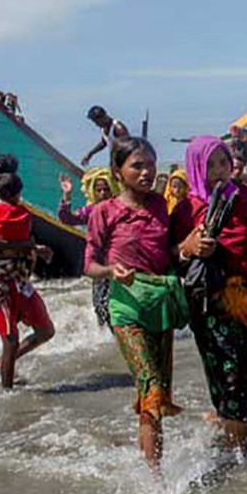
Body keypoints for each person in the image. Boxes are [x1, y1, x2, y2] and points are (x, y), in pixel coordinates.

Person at [171, 136, 247, 450]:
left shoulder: (245, 196)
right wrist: (189, 248)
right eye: (211, 165)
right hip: (211, 300)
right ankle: (239, 454)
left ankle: (228, 426)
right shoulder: (186, 208)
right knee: (232, 374)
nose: (220, 170)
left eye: (224, 162)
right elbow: (169, 258)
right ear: (196, 168)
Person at [84, 137, 187, 470]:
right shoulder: (104, 211)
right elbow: (89, 265)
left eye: (151, 165)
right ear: (118, 171)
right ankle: (156, 479)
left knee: (156, 396)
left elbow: (169, 252)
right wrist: (111, 271)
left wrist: (188, 248)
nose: (146, 172)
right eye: (137, 166)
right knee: (151, 386)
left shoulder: (161, 205)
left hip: (160, 306)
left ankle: (151, 467)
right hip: (126, 308)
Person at [0, 172, 56, 389]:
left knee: (46, 331)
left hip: (19, 278)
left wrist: (32, 248)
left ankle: (3, 363)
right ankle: (7, 391)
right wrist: (20, 246)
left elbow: (20, 240)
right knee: (10, 339)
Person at [59, 168, 118, 330]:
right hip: (97, 263)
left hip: (118, 261)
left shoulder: (120, 209)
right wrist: (67, 195)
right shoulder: (91, 210)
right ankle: (106, 336)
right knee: (99, 305)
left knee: (118, 302)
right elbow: (66, 218)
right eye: (99, 190)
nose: (103, 193)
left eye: (106, 189)